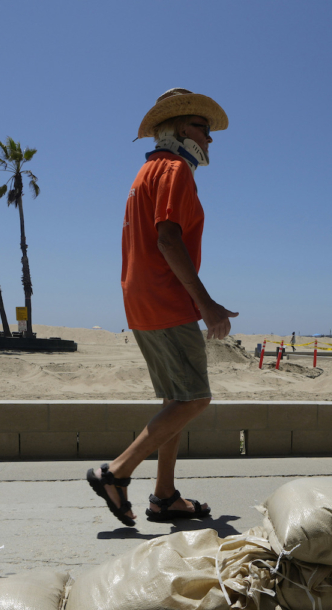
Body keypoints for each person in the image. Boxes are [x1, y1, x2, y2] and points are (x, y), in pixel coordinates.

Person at [86, 88, 236, 527]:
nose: (210, 140)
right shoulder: (174, 170)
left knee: (177, 398)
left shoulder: (145, 172)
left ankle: (164, 495)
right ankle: (115, 472)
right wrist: (205, 304)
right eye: (203, 129)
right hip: (166, 299)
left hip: (141, 297)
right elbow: (168, 238)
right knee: (195, 398)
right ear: (180, 129)